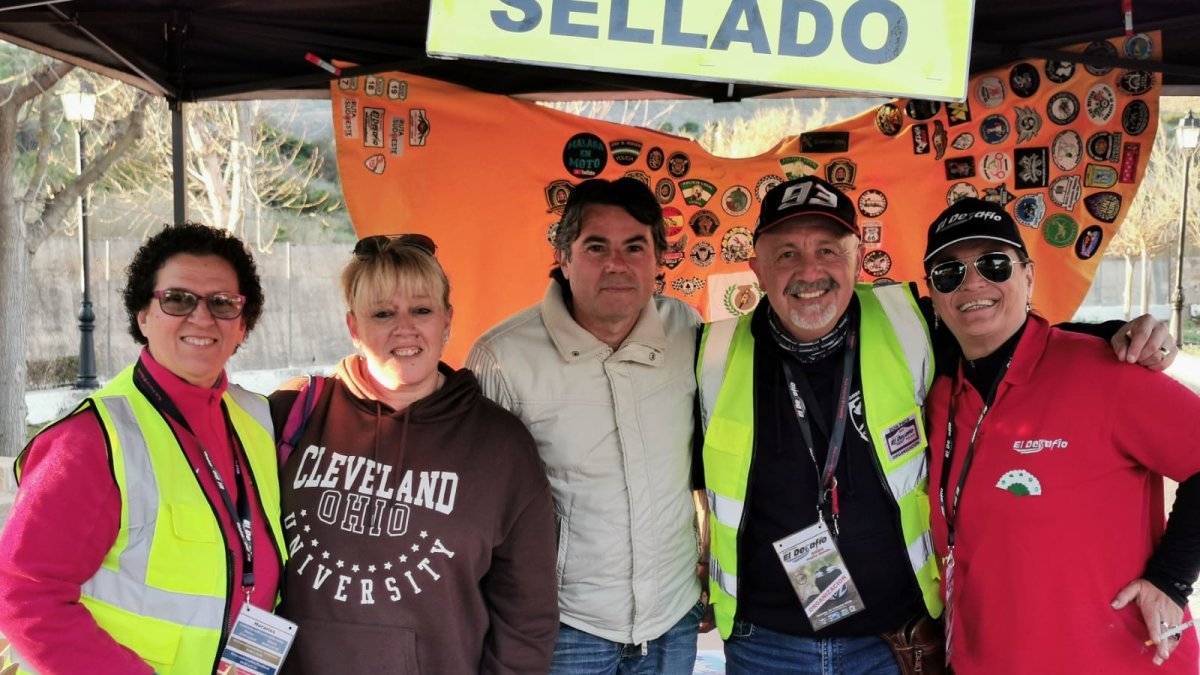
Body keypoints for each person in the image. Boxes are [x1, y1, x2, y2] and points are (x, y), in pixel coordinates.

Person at [695, 176, 1176, 674]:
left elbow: (1013, 336)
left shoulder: (912, 323)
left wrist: (1119, 334)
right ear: (755, 266)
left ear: (858, 258)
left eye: (828, 250)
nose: (810, 271)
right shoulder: (709, 354)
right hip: (766, 642)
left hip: (894, 639)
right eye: (787, 254)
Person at [921, 198, 1200, 673]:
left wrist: (1171, 581)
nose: (972, 282)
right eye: (949, 272)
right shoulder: (940, 391)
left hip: (1109, 660)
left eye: (993, 263)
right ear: (934, 293)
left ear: (1028, 275)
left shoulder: (1107, 371)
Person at [0, 223, 285, 674]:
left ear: (242, 324)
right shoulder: (92, 440)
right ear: (143, 316)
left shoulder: (257, 419)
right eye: (177, 299)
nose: (202, 317)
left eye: (222, 303)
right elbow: (22, 593)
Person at [270, 233, 557, 674]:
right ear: (354, 327)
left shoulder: (500, 445)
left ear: (447, 321)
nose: (405, 328)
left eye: (421, 310)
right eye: (383, 313)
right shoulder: (292, 413)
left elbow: (526, 614)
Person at [466, 177, 706, 674]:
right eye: (597, 246)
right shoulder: (504, 356)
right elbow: (478, 506)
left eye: (634, 246)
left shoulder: (686, 330)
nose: (617, 264)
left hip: (673, 620)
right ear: (564, 256)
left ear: (659, 257)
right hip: (564, 626)